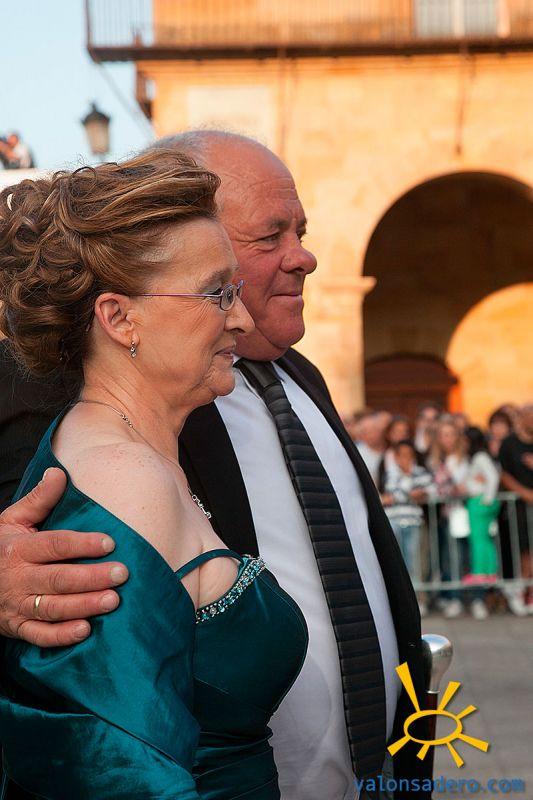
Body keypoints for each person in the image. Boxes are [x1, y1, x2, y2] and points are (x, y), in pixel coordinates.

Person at [0, 131, 429, 800]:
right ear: (120, 315)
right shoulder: (68, 404)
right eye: (268, 237)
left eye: (301, 231)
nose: (304, 257)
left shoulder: (302, 378)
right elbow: (113, 752)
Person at [381, 439, 434, 615]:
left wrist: (408, 491)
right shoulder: (391, 473)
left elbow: (431, 489)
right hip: (395, 522)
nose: (406, 459)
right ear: (396, 457)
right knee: (398, 562)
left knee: (415, 562)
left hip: (414, 522)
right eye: (402, 455)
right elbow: (392, 492)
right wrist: (411, 489)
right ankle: (402, 602)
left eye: (409, 455)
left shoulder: (420, 472)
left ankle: (418, 599)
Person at [426, 415, 470, 618]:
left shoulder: (464, 460)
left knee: (458, 556)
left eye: (451, 434)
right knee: (444, 557)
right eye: (443, 435)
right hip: (441, 515)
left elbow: (464, 486)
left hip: (460, 513)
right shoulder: (433, 461)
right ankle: (447, 595)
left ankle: (457, 597)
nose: (447, 439)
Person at [462, 427, 501, 621]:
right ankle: (488, 571)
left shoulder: (479, 457)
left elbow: (493, 477)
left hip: (479, 502)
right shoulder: (480, 457)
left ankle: (482, 572)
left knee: (479, 540)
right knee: (483, 539)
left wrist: (487, 499)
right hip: (479, 501)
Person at [498, 404, 533, 615]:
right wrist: (525, 493)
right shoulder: (509, 444)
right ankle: (522, 592)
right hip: (518, 507)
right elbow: (504, 475)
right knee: (524, 550)